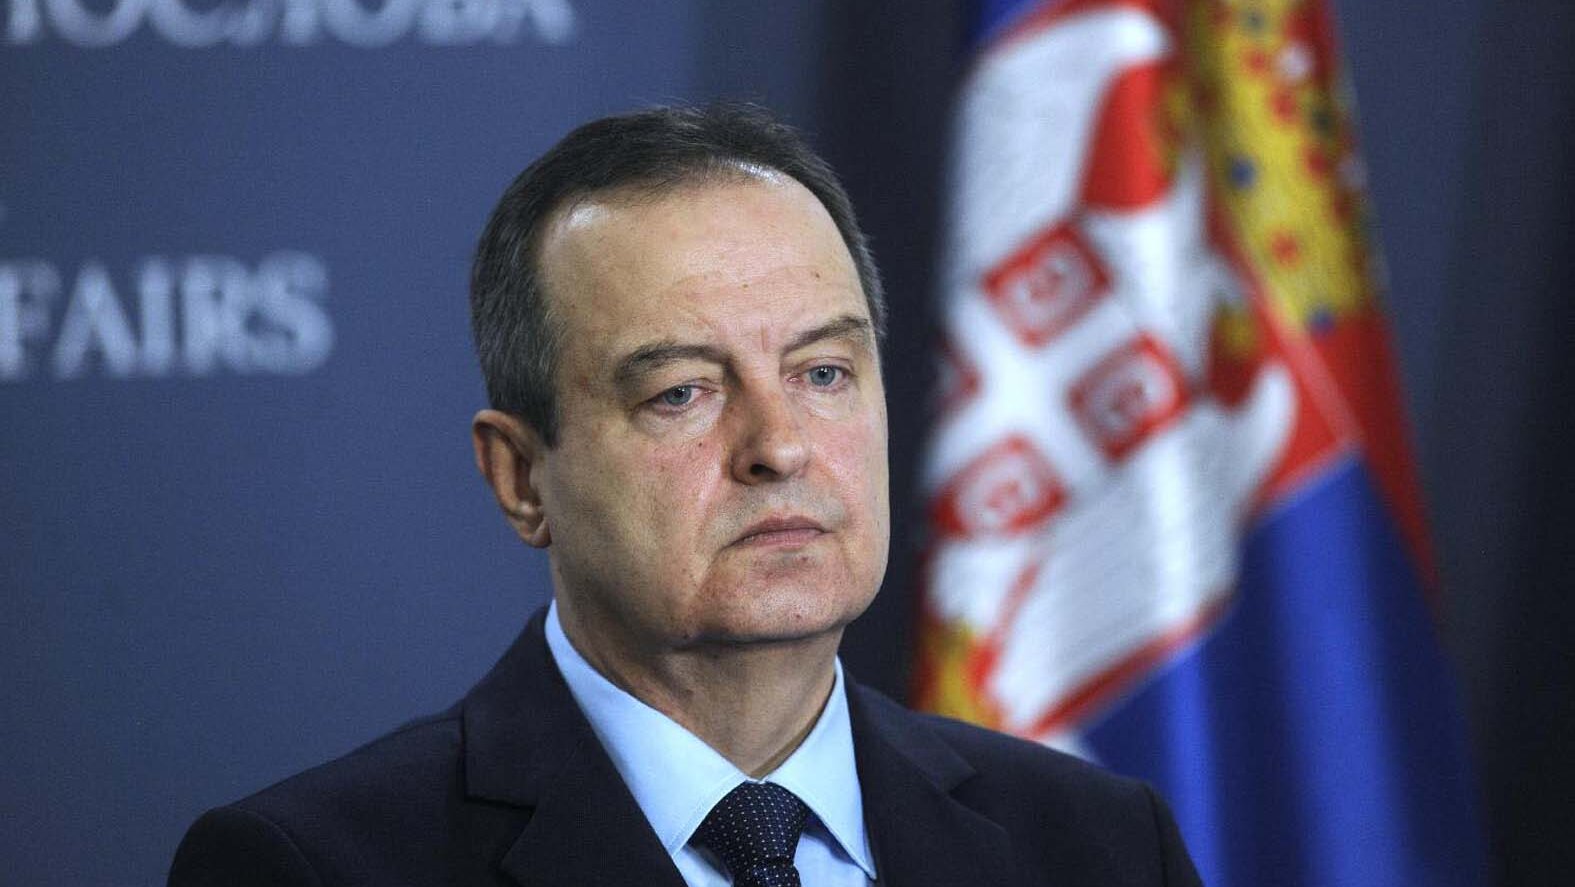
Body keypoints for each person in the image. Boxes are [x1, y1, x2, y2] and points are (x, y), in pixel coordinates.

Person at [168, 104, 1202, 887]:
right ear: (521, 478)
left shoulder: (1102, 845)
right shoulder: (310, 866)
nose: (779, 446)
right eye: (681, 392)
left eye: (823, 372)